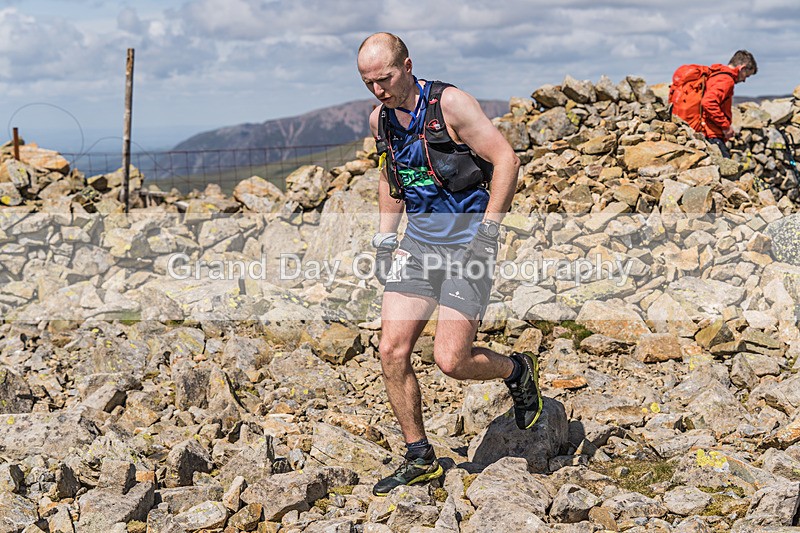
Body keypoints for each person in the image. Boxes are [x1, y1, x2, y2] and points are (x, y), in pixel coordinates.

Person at [356, 32, 543, 497]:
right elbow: (391, 176)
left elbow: (506, 160)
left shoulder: (451, 105)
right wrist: (385, 239)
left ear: (407, 66)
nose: (378, 90)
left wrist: (489, 232)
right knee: (391, 350)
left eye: (385, 79)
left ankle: (516, 371)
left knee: (451, 360)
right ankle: (419, 457)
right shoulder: (381, 119)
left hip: (468, 246)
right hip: (418, 246)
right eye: (368, 83)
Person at [701, 50, 758, 158]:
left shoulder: (717, 74)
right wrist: (725, 126)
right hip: (711, 134)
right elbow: (708, 102)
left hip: (708, 132)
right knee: (725, 166)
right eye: (746, 75)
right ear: (742, 68)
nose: (744, 80)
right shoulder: (726, 80)